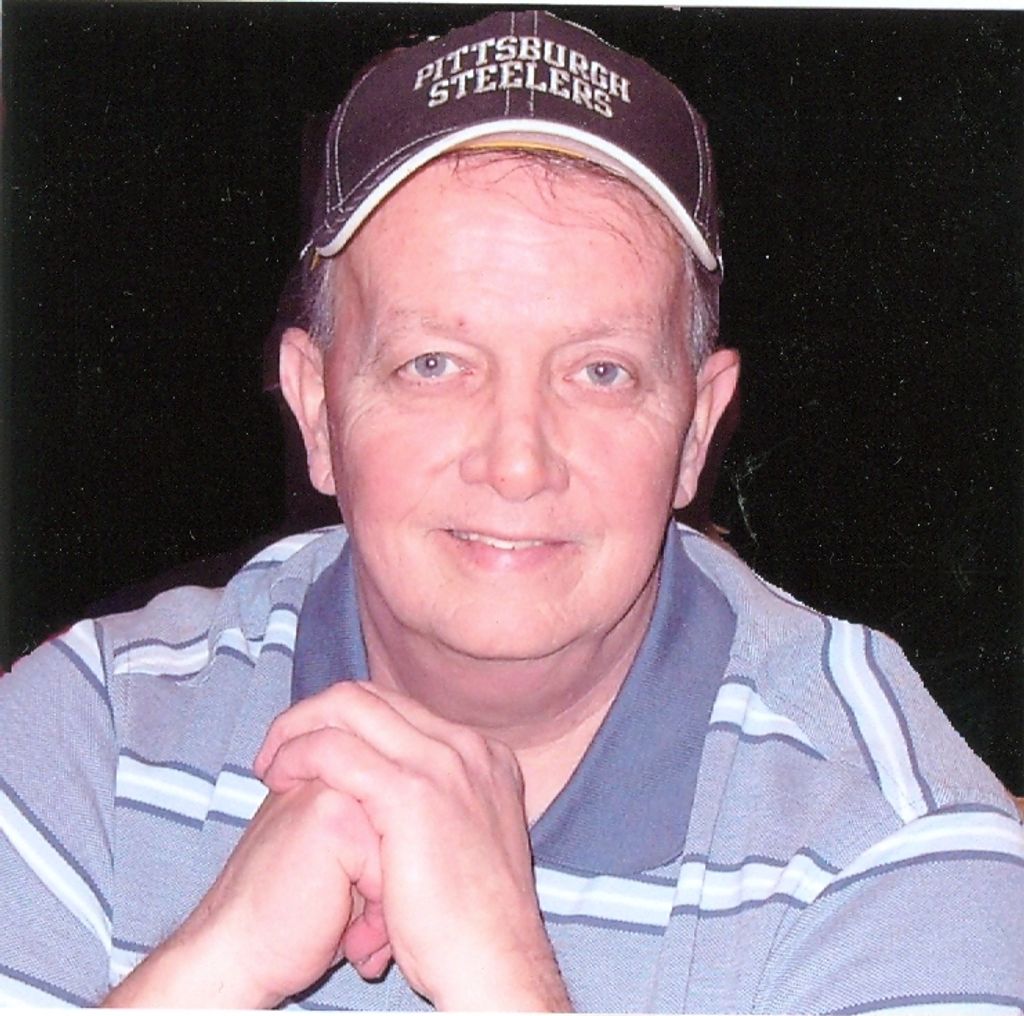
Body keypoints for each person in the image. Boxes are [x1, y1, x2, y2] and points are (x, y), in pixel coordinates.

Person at [2, 10, 1021, 1012]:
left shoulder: (891, 841)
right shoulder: (92, 737)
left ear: (694, 432)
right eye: (433, 364)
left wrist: (505, 980)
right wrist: (215, 967)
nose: (517, 462)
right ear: (316, 408)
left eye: (600, 371)